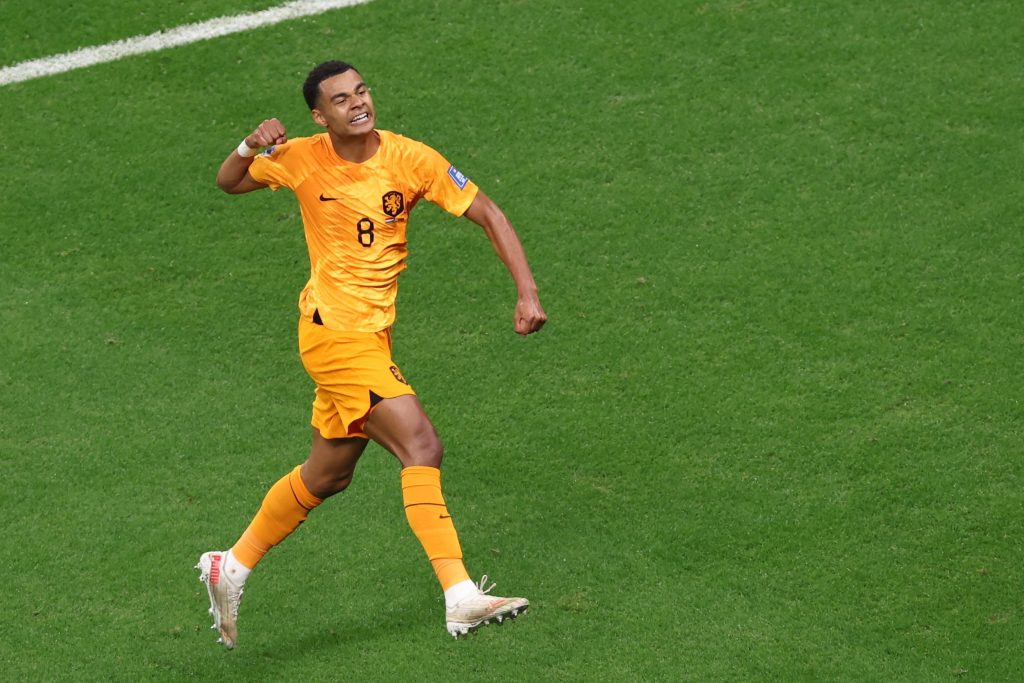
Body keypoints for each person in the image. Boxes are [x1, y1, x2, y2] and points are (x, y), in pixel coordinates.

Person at [196, 60, 547, 649]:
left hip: (370, 336)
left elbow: (488, 213)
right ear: (319, 115)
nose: (357, 103)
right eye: (340, 99)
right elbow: (229, 181)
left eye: (361, 91)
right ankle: (460, 595)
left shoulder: (411, 159)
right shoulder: (300, 157)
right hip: (334, 336)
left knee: (328, 475)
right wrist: (248, 144)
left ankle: (229, 565)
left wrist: (527, 291)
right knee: (422, 445)